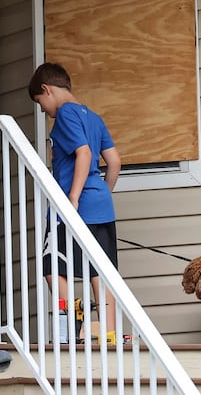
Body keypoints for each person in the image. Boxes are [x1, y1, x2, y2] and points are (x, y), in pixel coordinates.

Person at [28, 62, 122, 345]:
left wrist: (73, 199)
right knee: (100, 272)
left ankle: (73, 321)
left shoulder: (66, 114)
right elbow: (115, 162)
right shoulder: (94, 117)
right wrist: (99, 196)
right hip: (101, 206)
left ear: (47, 89)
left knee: (53, 267)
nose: (44, 111)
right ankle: (108, 334)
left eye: (41, 103)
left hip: (72, 207)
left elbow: (82, 154)